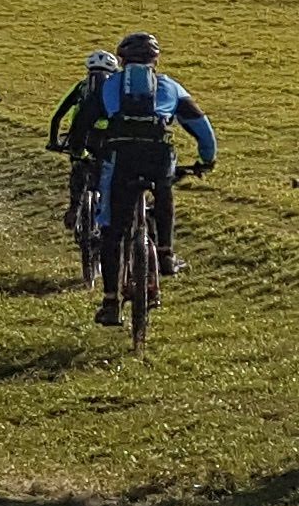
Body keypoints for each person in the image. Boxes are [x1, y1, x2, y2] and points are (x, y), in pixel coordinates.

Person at [86, 31, 218, 326]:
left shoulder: (110, 86)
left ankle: (110, 302)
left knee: (112, 230)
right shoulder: (169, 86)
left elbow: (88, 125)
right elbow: (202, 127)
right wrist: (207, 160)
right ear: (155, 60)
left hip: (121, 160)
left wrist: (90, 153)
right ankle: (166, 253)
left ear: (121, 60)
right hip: (158, 157)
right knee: (165, 187)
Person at [48, 47, 117, 257]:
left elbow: (58, 114)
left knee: (79, 168)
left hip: (83, 139)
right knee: (110, 175)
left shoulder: (81, 86)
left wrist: (53, 141)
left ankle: (74, 207)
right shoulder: (114, 89)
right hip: (110, 141)